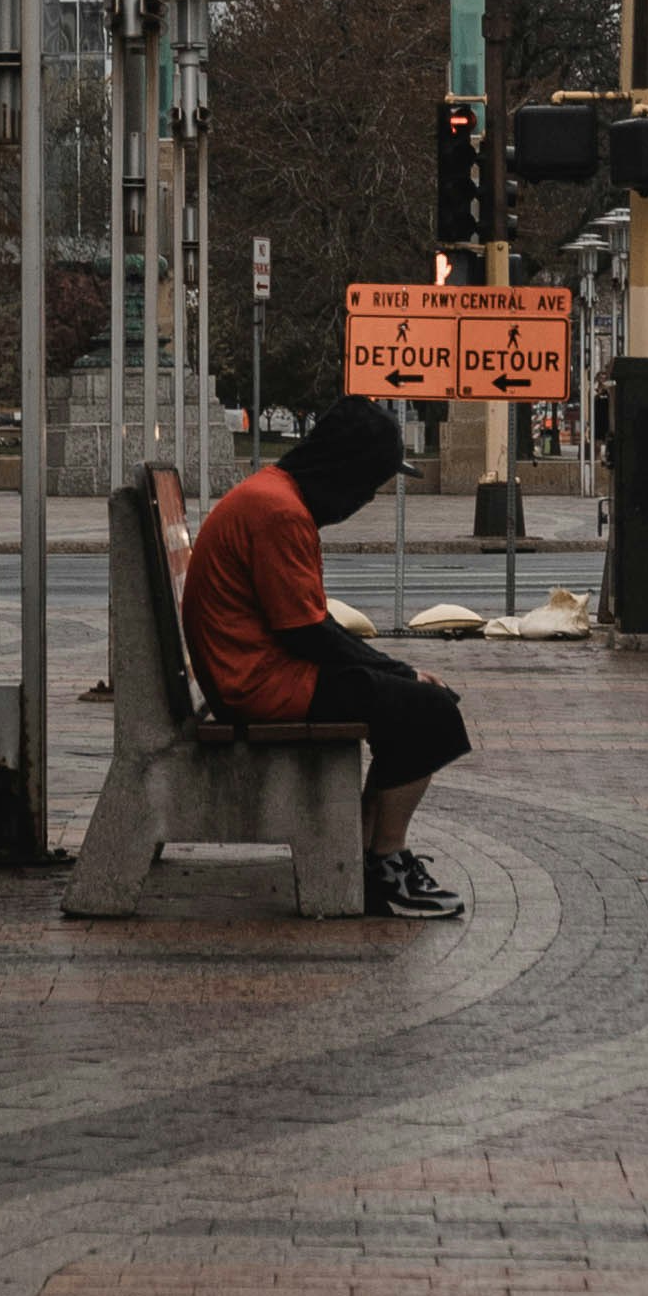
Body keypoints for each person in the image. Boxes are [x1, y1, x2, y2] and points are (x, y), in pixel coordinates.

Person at [177, 393, 473, 919]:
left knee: (411, 703)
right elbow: (309, 634)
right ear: (346, 470)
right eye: (370, 484)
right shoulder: (280, 513)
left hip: (254, 673)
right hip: (260, 685)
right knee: (432, 712)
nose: (368, 500)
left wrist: (393, 674)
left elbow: (310, 625)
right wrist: (400, 673)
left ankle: (366, 854)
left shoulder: (275, 498)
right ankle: (384, 863)